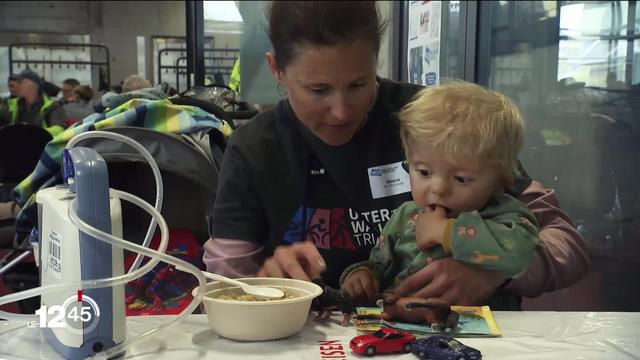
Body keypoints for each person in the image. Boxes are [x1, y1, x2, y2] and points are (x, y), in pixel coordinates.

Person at [204, 1, 590, 308]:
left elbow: (565, 242)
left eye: (359, 83)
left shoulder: (437, 121)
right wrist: (259, 286)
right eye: (318, 90)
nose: (341, 111)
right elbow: (224, 289)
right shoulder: (253, 150)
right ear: (277, 70)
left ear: (377, 61)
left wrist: (496, 273)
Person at [340, 82, 539, 307]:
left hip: (483, 334)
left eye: (461, 178)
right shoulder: (405, 215)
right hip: (402, 326)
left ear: (502, 178)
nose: (438, 188)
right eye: (424, 172)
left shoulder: (506, 215)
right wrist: (363, 275)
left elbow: (519, 257)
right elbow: (379, 263)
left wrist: (447, 232)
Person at [0, 70, 67, 136]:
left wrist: (32, 132)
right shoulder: (12, 105)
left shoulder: (52, 106)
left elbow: (59, 129)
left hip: (42, 144)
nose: (16, 85)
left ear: (34, 85)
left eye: (21, 82)